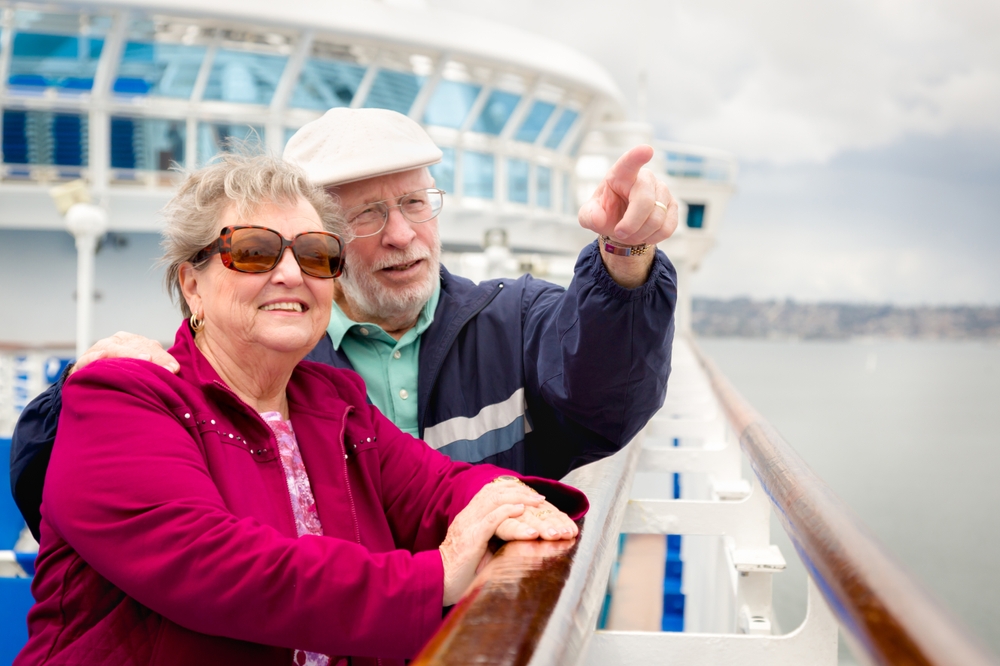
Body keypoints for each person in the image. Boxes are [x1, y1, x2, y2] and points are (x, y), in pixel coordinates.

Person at [15, 153, 585, 666]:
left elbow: (435, 488)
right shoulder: (123, 396)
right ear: (192, 283)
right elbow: (214, 568)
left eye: (316, 254)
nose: (291, 273)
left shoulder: (331, 402)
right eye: (254, 251)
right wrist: (431, 577)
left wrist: (517, 509)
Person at [10, 108, 677, 541]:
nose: (401, 233)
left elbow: (607, 399)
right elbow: (55, 486)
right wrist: (82, 389)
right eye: (366, 215)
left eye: (416, 202)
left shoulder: (515, 319)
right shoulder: (269, 360)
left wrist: (625, 258)